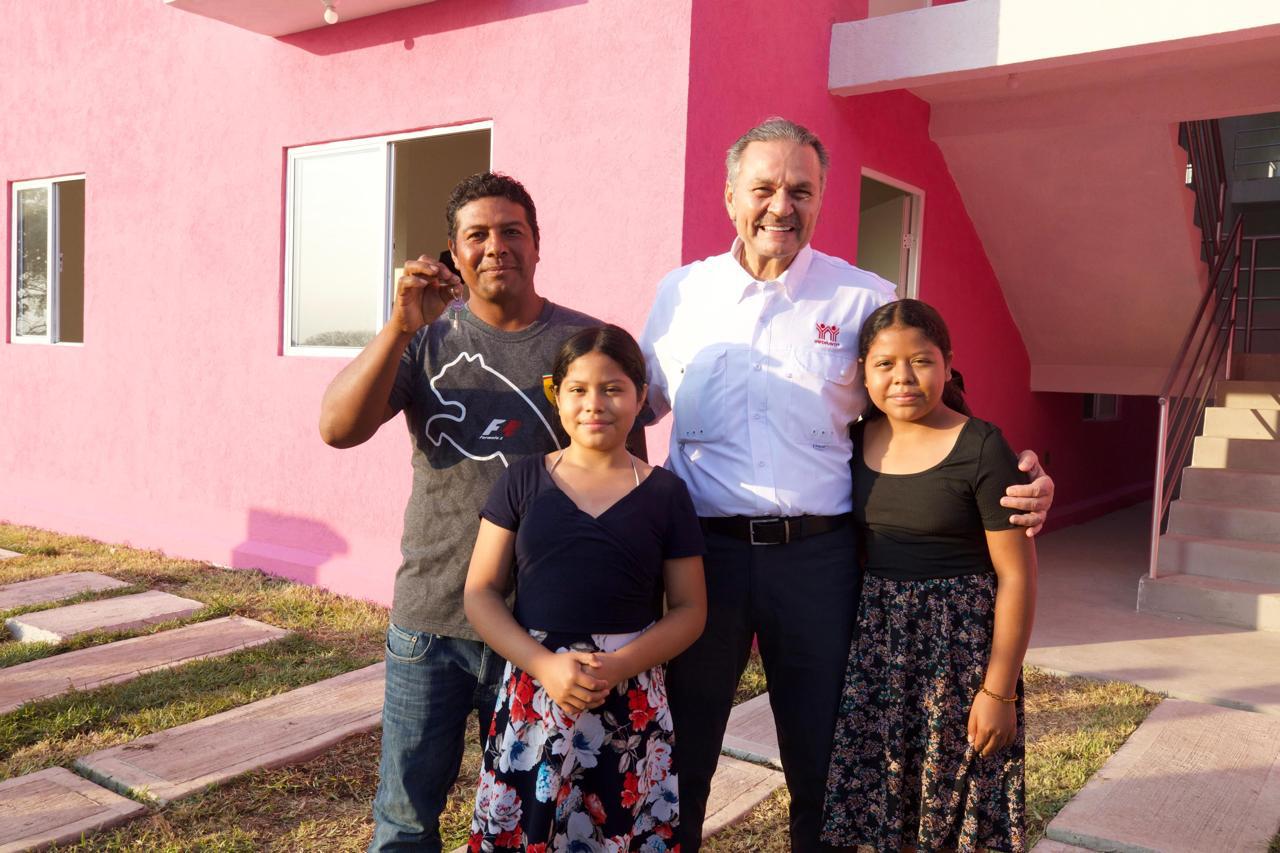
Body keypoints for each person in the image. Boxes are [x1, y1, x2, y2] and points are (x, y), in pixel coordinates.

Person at [637, 117, 1054, 852]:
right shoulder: (682, 293)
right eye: (763, 188)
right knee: (684, 746)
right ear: (730, 195)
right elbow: (632, 409)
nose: (781, 206)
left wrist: (1017, 474)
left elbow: (932, 411)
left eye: (801, 190)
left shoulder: (861, 298)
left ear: (822, 198)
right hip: (703, 558)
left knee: (824, 757)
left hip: (819, 561)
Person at [319, 172, 613, 852]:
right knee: (405, 821)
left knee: (532, 820)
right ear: (453, 253)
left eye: (512, 231)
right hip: (432, 622)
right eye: (476, 235)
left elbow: (623, 484)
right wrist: (399, 326)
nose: (496, 246)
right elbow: (336, 428)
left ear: (537, 243)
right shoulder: (424, 339)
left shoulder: (585, 343)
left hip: (541, 631)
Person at [464, 325, 706, 851]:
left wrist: (619, 665)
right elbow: (480, 592)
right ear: (556, 396)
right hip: (536, 691)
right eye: (577, 389)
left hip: (631, 698)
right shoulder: (522, 481)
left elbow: (689, 609)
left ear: (641, 397)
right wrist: (544, 665)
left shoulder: (666, 494)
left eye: (613, 389)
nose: (594, 404)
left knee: (618, 832)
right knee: (530, 831)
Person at [822, 299, 1035, 852]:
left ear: (947, 364)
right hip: (880, 650)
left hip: (959, 655)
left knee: (956, 808)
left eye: (920, 361)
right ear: (862, 370)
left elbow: (1017, 577)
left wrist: (1000, 691)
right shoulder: (853, 440)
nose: (903, 377)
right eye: (885, 364)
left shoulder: (982, 446)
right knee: (889, 806)